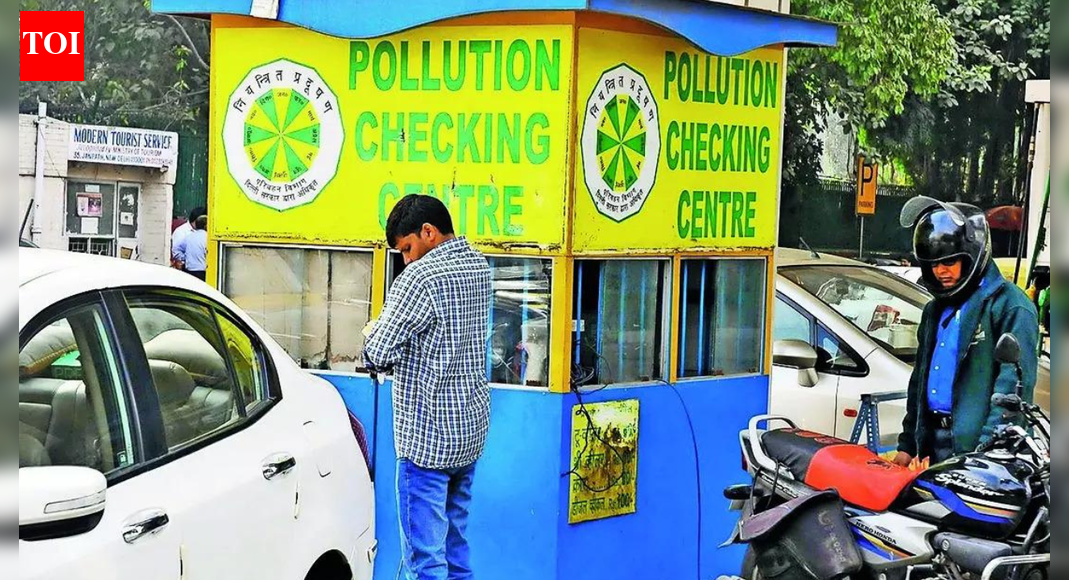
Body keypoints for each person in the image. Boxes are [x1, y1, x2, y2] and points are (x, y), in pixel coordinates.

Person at [363, 195, 492, 580]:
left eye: (407, 248)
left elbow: (378, 351)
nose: (405, 259)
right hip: (468, 433)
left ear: (428, 233)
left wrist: (371, 332)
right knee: (456, 551)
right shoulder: (478, 265)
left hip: (426, 442)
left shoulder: (419, 279)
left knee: (426, 562)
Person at [893, 196, 1039, 466]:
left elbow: (1012, 393)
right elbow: (919, 382)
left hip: (979, 452)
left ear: (972, 255)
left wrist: (986, 453)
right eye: (933, 264)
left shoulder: (1012, 307)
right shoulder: (935, 310)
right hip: (933, 446)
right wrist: (907, 444)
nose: (940, 272)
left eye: (948, 262)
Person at [173, 214, 208, 281]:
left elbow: (176, 249)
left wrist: (185, 258)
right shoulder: (207, 238)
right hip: (203, 272)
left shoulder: (189, 237)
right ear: (206, 225)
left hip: (189, 270)